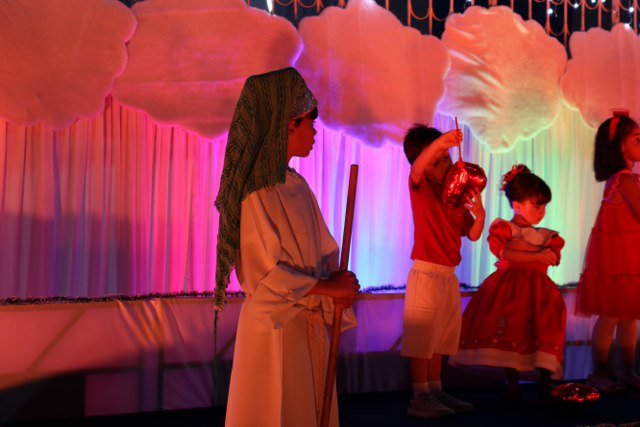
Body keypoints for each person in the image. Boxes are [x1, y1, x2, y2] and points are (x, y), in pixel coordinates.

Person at [216, 67, 360, 427]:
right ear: (287, 124)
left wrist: (338, 286)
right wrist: (328, 288)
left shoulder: (297, 185)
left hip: (306, 326)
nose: (315, 132)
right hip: (275, 330)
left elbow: (322, 254)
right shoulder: (256, 192)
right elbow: (264, 278)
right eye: (309, 122)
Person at [451, 164, 566, 402]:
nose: (542, 211)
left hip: (539, 291)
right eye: (537, 205)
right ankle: (512, 383)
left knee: (543, 330)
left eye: (544, 206)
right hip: (509, 289)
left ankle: (546, 382)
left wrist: (539, 254)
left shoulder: (546, 236)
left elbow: (553, 258)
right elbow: (506, 254)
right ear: (517, 205)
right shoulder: (505, 229)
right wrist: (536, 255)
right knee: (511, 328)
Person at [401, 125, 485, 419]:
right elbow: (418, 168)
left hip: (448, 275)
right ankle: (420, 395)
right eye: (436, 160)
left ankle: (435, 390)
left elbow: (472, 234)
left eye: (447, 158)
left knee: (440, 336)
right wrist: (439, 144)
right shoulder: (421, 188)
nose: (445, 164)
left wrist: (480, 215)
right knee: (421, 337)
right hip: (425, 273)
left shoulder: (455, 197)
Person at [575, 112, 640, 394]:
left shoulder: (627, 179)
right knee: (613, 314)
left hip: (630, 258)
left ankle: (627, 371)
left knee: (629, 315)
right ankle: (599, 372)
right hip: (619, 259)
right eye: (637, 139)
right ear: (619, 146)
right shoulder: (624, 179)